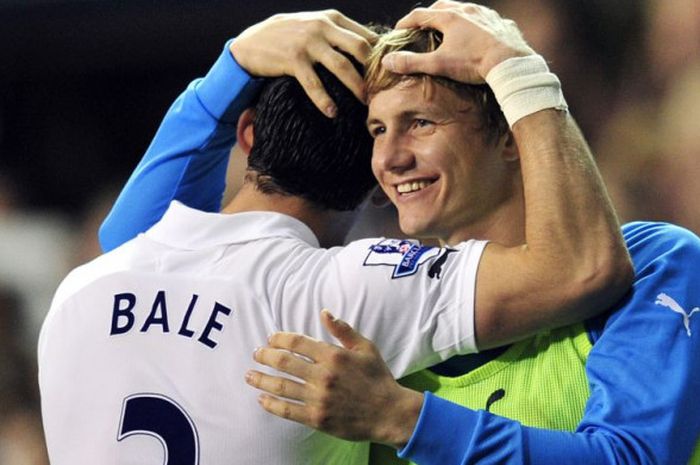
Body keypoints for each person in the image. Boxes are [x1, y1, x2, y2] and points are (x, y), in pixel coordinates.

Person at [40, 5, 630, 465]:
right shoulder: (342, 295)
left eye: (416, 123)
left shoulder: (79, 293)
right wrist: (517, 71)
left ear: (245, 134)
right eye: (381, 129)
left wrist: (231, 69)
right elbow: (581, 266)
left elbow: (134, 238)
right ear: (377, 183)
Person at [243, 4, 700, 465]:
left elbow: (634, 457)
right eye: (378, 130)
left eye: (420, 123)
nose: (389, 159)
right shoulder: (375, 320)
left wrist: (403, 419)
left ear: (507, 135)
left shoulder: (654, 263)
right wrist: (230, 68)